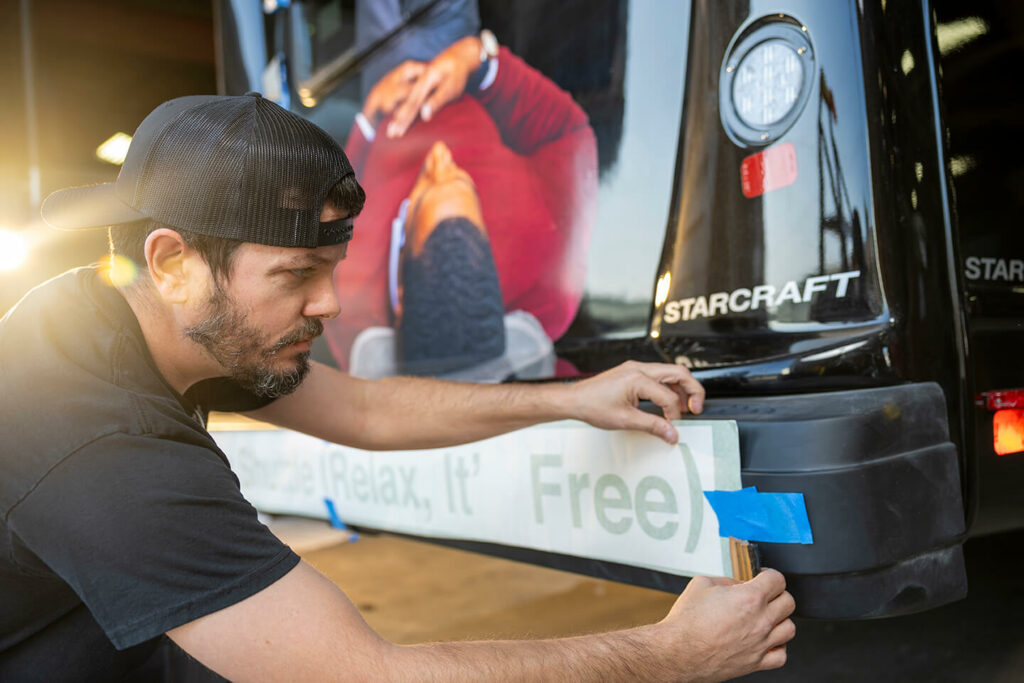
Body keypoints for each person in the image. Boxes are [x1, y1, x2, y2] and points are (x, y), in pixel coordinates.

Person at [0, 93, 795, 681]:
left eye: (333, 268)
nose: (331, 303)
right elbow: (364, 674)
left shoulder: (144, 318)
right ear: (172, 261)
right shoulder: (99, 441)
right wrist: (674, 652)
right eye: (296, 275)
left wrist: (572, 395)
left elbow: (365, 407)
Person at [325, 32, 598, 378]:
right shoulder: (548, 282)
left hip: (373, 78)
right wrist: (479, 67)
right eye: (464, 183)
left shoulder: (345, 305)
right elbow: (567, 132)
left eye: (421, 195)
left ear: (400, 289)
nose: (440, 155)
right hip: (466, 54)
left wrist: (367, 120)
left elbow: (337, 191)